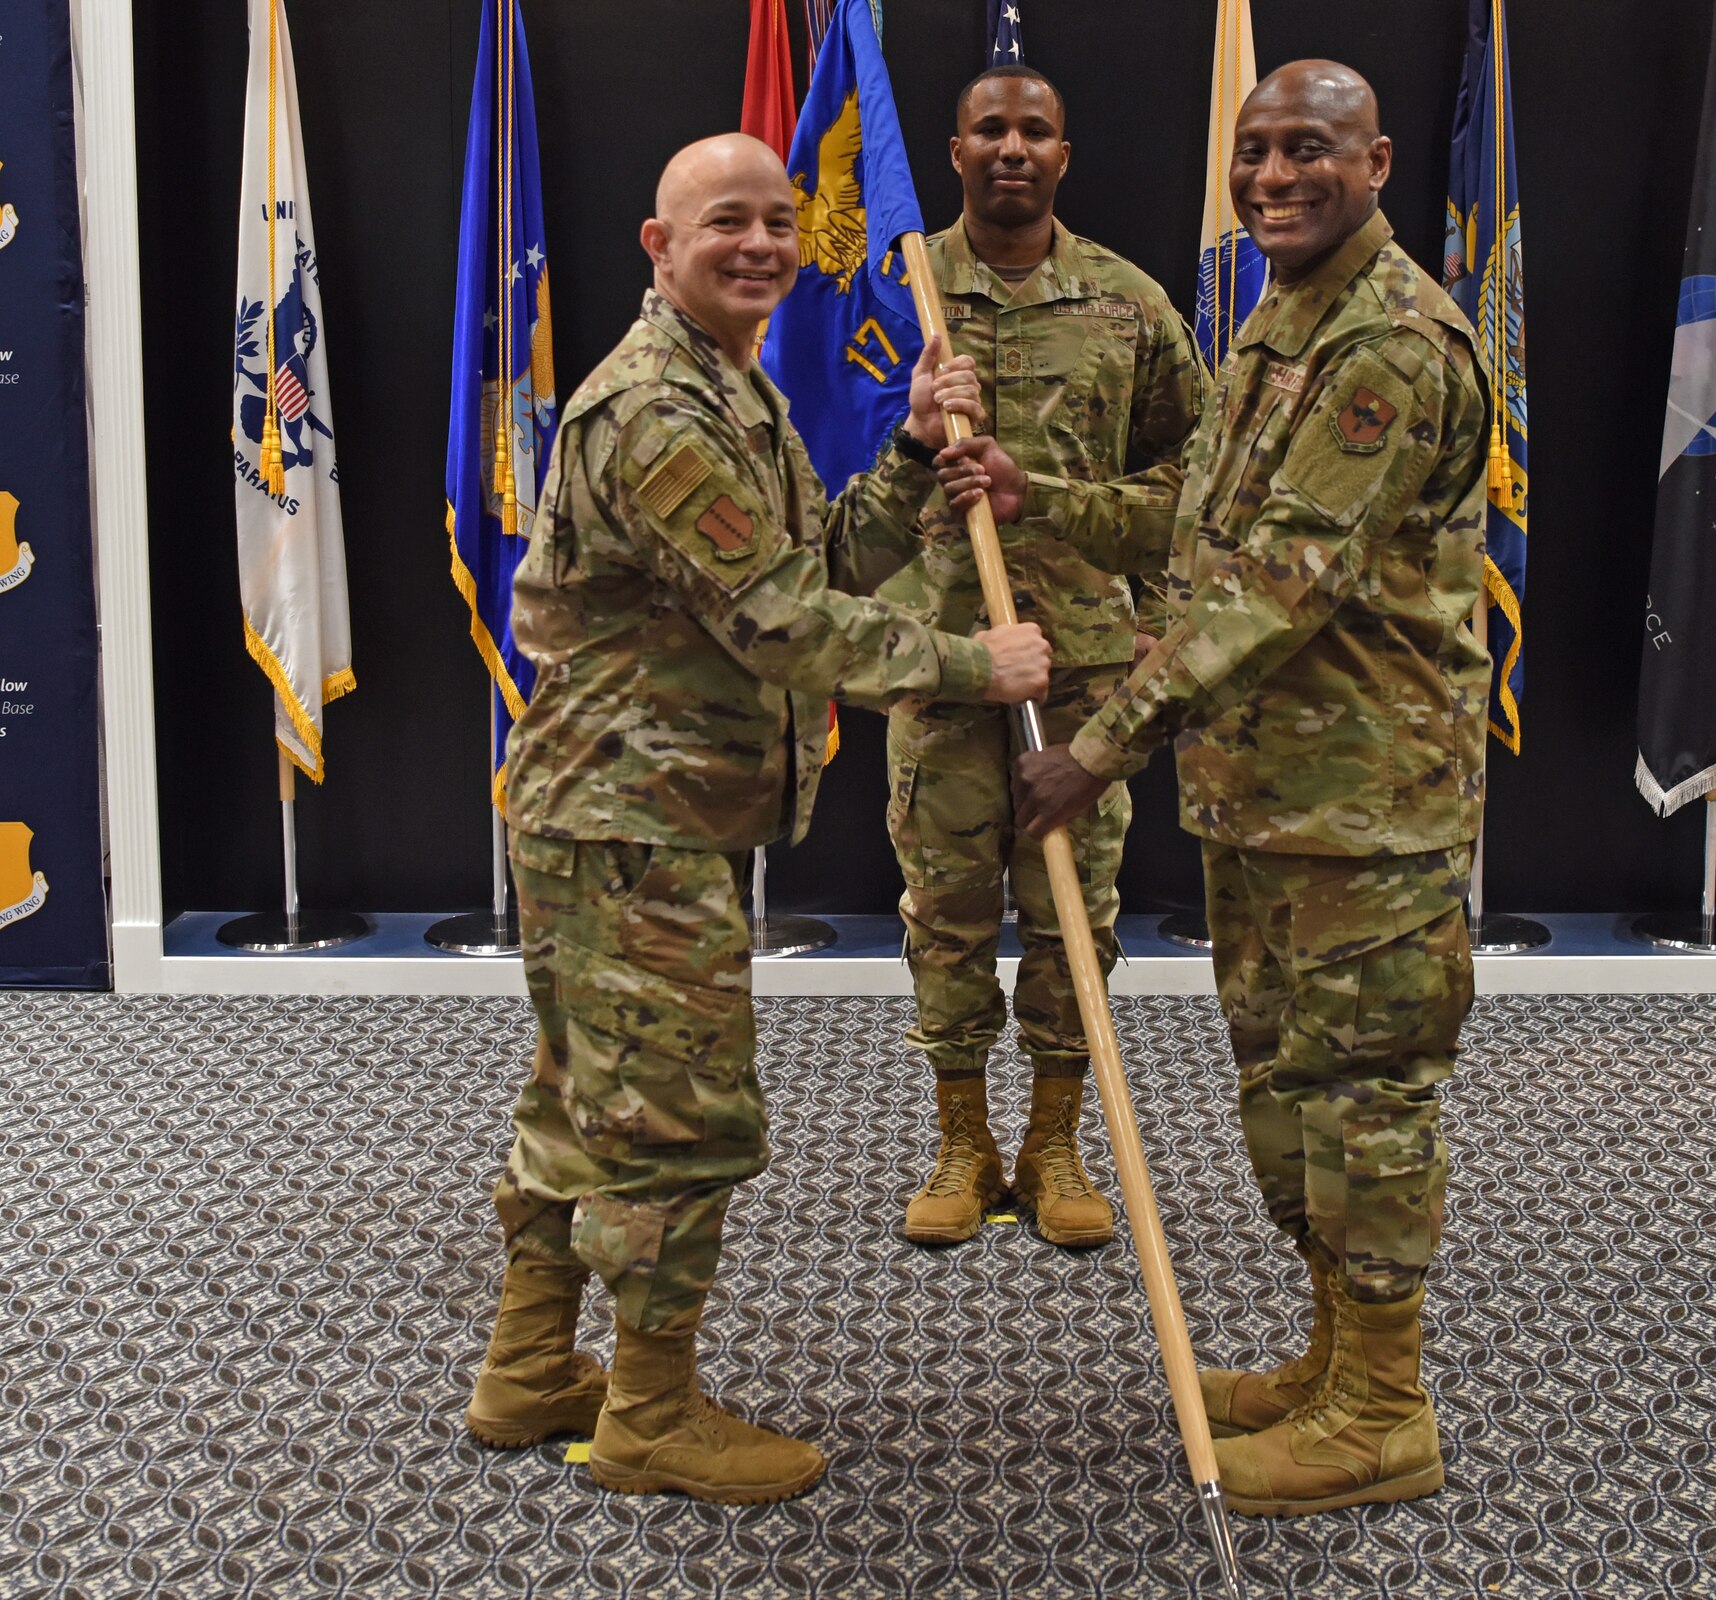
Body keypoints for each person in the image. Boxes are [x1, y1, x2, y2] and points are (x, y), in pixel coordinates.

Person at [463, 133, 1050, 1504]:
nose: (763, 244)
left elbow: (809, 562)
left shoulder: (731, 390)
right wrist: (977, 665)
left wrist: (909, 459)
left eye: (781, 221)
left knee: (582, 1100)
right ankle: (650, 1417)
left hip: (644, 816)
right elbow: (784, 623)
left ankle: (529, 1372)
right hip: (631, 825)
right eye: (726, 222)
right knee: (676, 1122)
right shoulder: (658, 410)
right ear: (660, 247)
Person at [1001, 62, 1492, 1515]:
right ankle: (1335, 1364)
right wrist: (1044, 496)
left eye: (1311, 152)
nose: (1277, 177)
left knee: (1366, 1104)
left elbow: (1279, 586)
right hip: (1267, 798)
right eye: (1257, 151)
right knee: (1290, 1103)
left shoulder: (1392, 345)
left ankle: (1386, 1410)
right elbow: (1201, 524)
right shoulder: (1282, 323)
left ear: (1381, 161)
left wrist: (1099, 745)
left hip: (1366, 815)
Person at [874, 64, 1206, 1250]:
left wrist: (1085, 535)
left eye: (1034, 132)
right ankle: (961, 1139)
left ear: (1063, 155)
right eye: (988, 130)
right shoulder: (898, 300)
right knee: (947, 914)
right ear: (952, 149)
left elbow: (1195, 482)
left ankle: (1053, 1140)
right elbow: (842, 502)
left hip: (1079, 669)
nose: (1010, 148)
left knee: (1078, 918)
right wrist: (910, 436)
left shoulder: (1128, 304)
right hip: (943, 657)